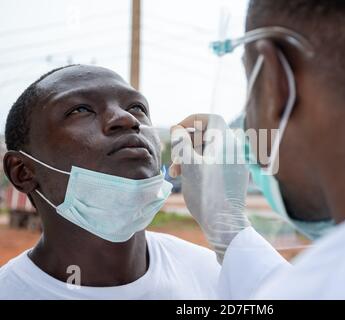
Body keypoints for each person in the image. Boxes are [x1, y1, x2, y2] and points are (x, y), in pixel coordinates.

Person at [170, 0, 345, 299]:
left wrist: (227, 230)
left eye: (251, 89)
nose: (247, 130)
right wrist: (230, 233)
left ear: (276, 79)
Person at [0, 65, 220, 300]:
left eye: (137, 107)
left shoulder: (212, 276)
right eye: (80, 110)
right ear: (22, 172)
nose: (127, 119)